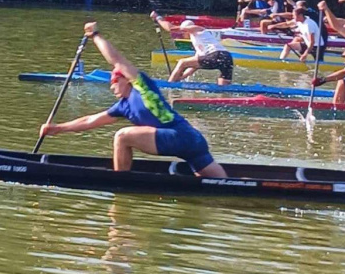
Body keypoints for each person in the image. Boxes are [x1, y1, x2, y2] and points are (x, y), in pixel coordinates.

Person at [39, 22, 227, 177]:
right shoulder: (123, 106)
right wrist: (57, 129)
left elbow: (117, 60)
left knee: (122, 136)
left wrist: (96, 35)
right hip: (193, 141)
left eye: (114, 81)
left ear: (125, 80)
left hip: (180, 137)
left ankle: (120, 181)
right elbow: (90, 121)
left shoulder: (142, 87)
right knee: (224, 184)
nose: (111, 87)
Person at [151, 12, 233, 85]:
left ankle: (169, 85)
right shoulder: (201, 40)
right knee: (223, 88)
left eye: (183, 33)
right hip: (227, 58)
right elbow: (194, 67)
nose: (183, 35)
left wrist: (158, 18)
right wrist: (180, 78)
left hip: (216, 55)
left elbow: (170, 28)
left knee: (182, 62)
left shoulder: (196, 29)